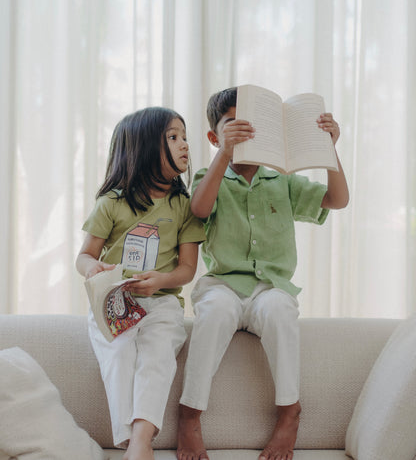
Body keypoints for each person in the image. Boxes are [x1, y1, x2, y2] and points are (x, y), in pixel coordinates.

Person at [177, 87, 349, 460]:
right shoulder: (210, 177)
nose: (245, 133)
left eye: (253, 125)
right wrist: (225, 153)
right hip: (222, 284)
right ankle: (189, 415)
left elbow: (337, 200)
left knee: (280, 311)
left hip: (271, 287)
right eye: (233, 125)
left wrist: (329, 149)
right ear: (214, 135)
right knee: (216, 311)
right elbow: (201, 209)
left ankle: (289, 411)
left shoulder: (282, 182)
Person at [76, 107, 206, 460]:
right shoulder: (112, 203)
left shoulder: (184, 205)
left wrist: (162, 280)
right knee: (118, 353)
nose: (185, 146)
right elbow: (83, 256)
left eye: (185, 137)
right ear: (145, 146)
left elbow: (187, 269)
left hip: (162, 305)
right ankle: (131, 440)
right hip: (114, 304)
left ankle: (141, 441)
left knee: (158, 356)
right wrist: (94, 269)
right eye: (173, 137)